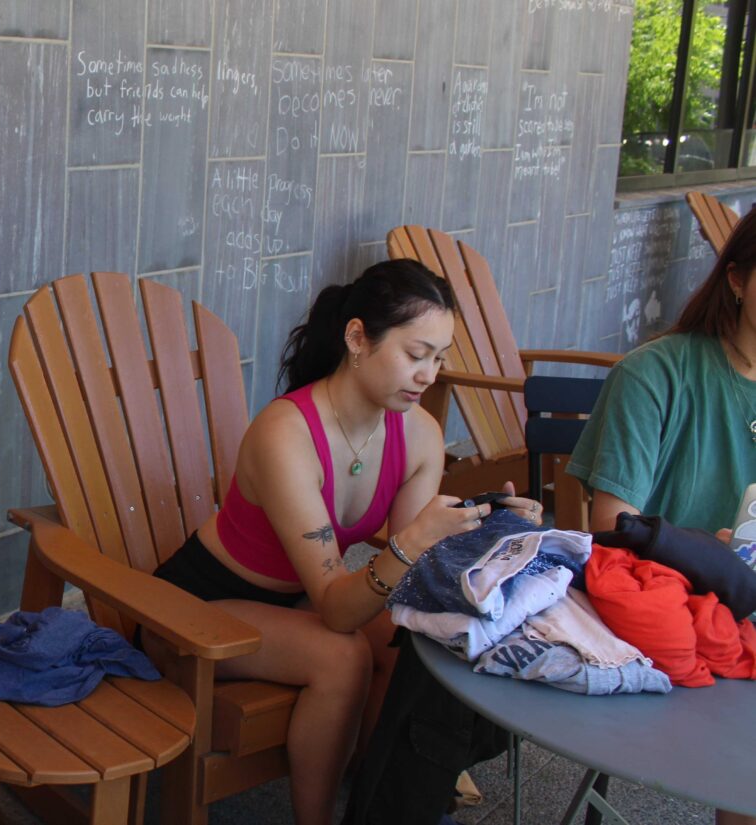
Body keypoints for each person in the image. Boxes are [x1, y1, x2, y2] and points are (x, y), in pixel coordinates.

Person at [149, 259, 542, 825]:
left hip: (297, 602)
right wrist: (410, 542)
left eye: (439, 358)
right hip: (192, 611)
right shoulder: (287, 435)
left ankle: (377, 800)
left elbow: (415, 580)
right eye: (414, 354)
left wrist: (486, 529)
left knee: (412, 639)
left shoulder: (420, 436)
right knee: (344, 656)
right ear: (357, 337)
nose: (429, 375)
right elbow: (340, 609)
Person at [568, 208, 756, 825]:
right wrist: (704, 551)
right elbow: (614, 529)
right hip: (673, 615)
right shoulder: (656, 374)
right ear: (736, 279)